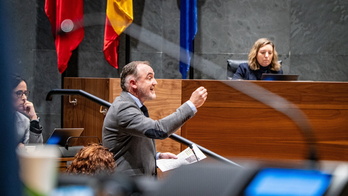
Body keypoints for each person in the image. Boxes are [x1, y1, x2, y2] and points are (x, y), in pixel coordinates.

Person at [102, 61, 208, 177]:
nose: (155, 82)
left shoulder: (133, 105)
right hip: (126, 185)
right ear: (133, 83)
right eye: (149, 78)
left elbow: (132, 145)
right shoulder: (123, 108)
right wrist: (191, 105)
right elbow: (158, 130)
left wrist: (156, 156)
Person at [11, 75, 43, 147]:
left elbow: (36, 150)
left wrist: (33, 118)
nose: (24, 98)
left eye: (25, 93)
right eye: (19, 93)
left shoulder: (24, 121)